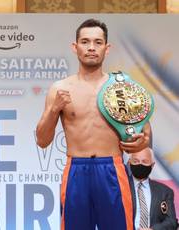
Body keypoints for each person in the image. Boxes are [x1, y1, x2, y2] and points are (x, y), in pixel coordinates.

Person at [36, 18, 151, 230]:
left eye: (98, 43)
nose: (91, 48)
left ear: (107, 49)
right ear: (75, 46)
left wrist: (141, 143)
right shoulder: (60, 88)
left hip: (112, 169)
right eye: (85, 42)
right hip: (75, 171)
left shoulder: (122, 88)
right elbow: (42, 141)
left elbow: (145, 134)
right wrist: (54, 109)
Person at [128, 147, 177, 230]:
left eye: (145, 161)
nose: (140, 164)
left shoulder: (165, 192)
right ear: (129, 163)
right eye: (136, 161)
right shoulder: (119, 188)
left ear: (152, 165)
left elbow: (171, 222)